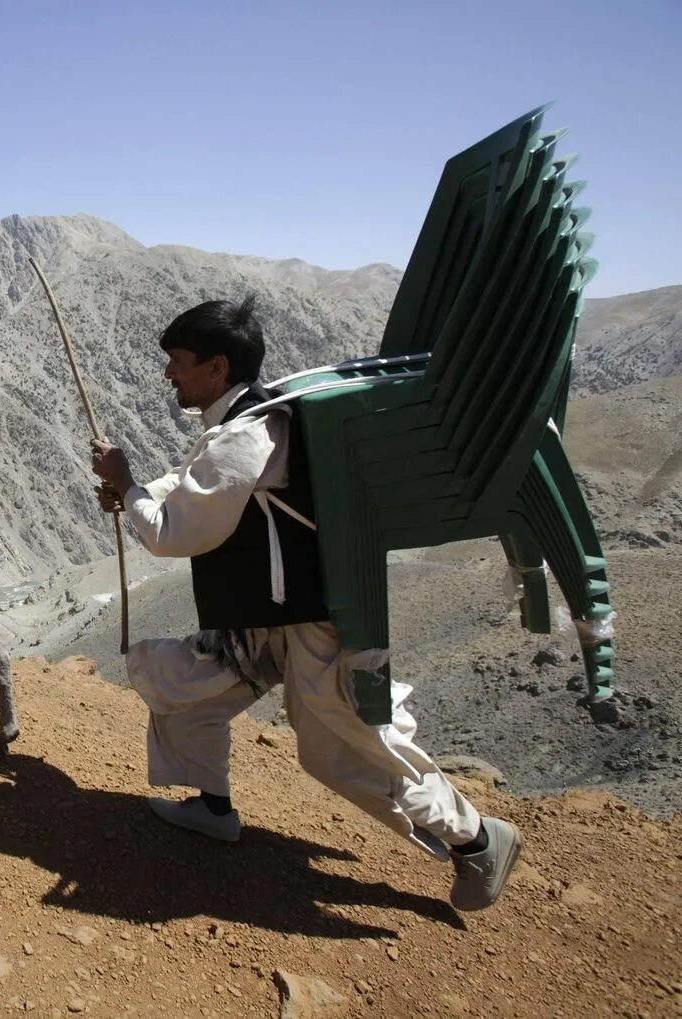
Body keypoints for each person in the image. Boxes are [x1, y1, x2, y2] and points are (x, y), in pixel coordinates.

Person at [89, 296, 521, 912]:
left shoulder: (246, 434)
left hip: (308, 622)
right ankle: (213, 808)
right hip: (263, 617)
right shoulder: (243, 422)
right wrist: (137, 492)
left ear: (216, 367)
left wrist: (127, 485)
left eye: (178, 361)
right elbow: (193, 481)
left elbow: (170, 533)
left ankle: (477, 839)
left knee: (343, 748)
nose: (168, 374)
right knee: (180, 684)